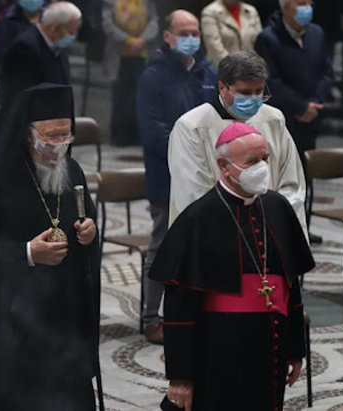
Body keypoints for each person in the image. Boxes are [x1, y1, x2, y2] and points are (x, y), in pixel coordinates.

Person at [150, 123, 314, 411]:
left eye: (265, 158)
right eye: (252, 162)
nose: (262, 167)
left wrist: (295, 350)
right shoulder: (198, 219)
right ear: (224, 166)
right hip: (218, 353)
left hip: (270, 348)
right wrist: (180, 378)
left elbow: (292, 285)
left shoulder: (278, 208)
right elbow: (180, 310)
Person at [0, 84, 102, 411]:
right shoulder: (1, 179)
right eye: (50, 136)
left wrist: (89, 235)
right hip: (12, 327)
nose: (59, 145)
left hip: (64, 322)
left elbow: (86, 227)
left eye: (66, 135)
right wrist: (26, 254)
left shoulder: (73, 171)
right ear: (28, 134)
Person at [136, 9, 218, 344]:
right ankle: (151, 316)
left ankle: (195, 310)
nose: (191, 39)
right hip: (166, 177)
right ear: (168, 37)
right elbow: (154, 131)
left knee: (201, 247)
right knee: (161, 246)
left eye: (195, 33)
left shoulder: (207, 72)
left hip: (205, 177)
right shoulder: (153, 76)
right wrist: (190, 154)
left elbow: (215, 120)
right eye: (183, 33)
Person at [168, 51, 307, 239]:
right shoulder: (192, 127)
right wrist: (243, 226)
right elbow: (193, 193)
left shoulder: (273, 119)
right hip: (216, 236)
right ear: (222, 88)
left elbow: (291, 182)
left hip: (269, 231)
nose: (254, 99)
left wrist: (276, 221)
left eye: (259, 92)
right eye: (245, 93)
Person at [255, 0, 334, 243]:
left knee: (304, 176)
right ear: (286, 6)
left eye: (310, 2)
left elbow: (326, 73)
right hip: (283, 119)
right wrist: (300, 107)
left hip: (311, 118)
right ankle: (277, 229)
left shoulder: (317, 33)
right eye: (301, 3)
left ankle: (302, 228)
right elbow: (271, 81)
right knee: (279, 176)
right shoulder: (268, 38)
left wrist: (315, 103)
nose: (308, 7)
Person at [0, 1, 81, 130]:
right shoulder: (25, 47)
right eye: (71, 31)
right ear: (56, 27)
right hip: (26, 130)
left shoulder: (59, 46)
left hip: (54, 128)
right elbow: (18, 97)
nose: (72, 36)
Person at [102, 0, 159, 146]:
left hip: (143, 54)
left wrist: (141, 40)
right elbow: (108, 24)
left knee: (140, 96)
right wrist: (128, 41)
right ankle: (120, 137)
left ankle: (137, 136)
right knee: (120, 97)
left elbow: (153, 21)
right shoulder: (110, 2)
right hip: (119, 56)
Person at [201, 0, 262, 67]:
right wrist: (233, 68)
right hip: (222, 69)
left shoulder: (251, 10)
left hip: (250, 68)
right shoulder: (210, 12)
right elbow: (213, 45)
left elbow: (259, 42)